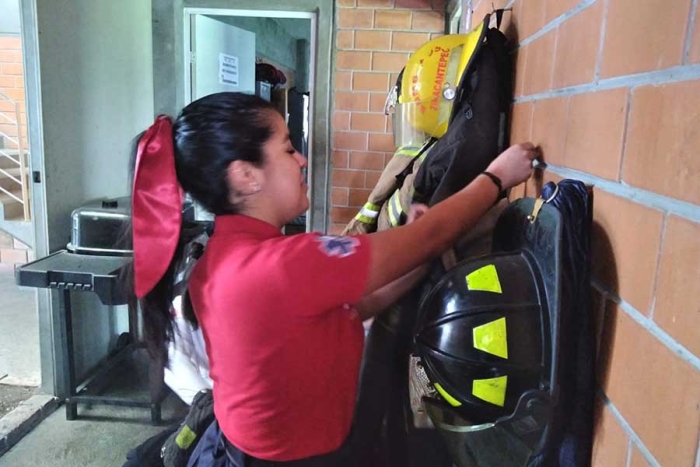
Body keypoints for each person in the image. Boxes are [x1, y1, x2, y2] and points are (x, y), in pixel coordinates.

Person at [129, 92, 537, 466]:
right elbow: (427, 235)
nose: (302, 160)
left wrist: (415, 256)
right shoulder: (281, 264)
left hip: (254, 450)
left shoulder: (220, 261)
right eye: (287, 148)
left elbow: (347, 310)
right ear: (245, 177)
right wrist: (497, 178)